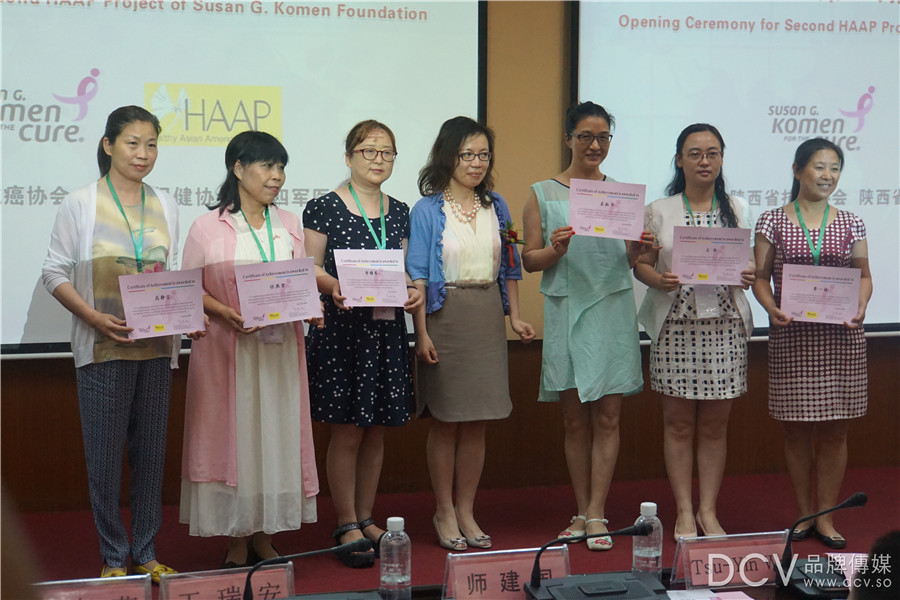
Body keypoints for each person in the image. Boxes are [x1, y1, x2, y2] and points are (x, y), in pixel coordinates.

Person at [41, 105, 185, 580]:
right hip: (102, 348)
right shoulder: (81, 203)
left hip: (156, 348)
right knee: (104, 459)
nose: (143, 154)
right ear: (108, 145)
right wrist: (92, 317)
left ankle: (145, 551)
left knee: (151, 457)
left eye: (151, 144)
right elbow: (53, 272)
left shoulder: (166, 204)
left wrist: (186, 315)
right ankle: (112, 556)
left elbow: (171, 273)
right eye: (132, 143)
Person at [180, 131, 319, 568]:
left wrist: (311, 309)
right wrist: (224, 310)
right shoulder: (207, 226)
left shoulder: (289, 223)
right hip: (228, 352)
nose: (276, 176)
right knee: (236, 442)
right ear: (238, 168)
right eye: (267, 166)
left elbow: (300, 282)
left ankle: (266, 534)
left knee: (275, 438)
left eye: (281, 168)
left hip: (279, 354)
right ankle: (236, 539)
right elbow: (188, 289)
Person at [521, 101, 652, 551]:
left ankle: (597, 512)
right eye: (586, 137)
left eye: (603, 137)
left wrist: (639, 248)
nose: (595, 145)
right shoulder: (542, 192)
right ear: (568, 139)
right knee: (575, 420)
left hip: (611, 307)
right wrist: (555, 249)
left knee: (609, 416)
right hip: (567, 309)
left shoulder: (623, 195)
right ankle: (581, 511)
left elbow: (631, 260)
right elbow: (530, 260)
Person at [408, 116, 535, 552]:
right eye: (467, 154)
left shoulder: (497, 205)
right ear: (448, 157)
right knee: (447, 421)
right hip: (444, 318)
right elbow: (418, 275)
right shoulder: (427, 210)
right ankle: (444, 510)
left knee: (478, 422)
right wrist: (421, 334)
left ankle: (466, 510)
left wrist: (515, 317)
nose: (477, 163)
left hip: (486, 317)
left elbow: (511, 265)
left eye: (483, 155)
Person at [303, 120, 422, 568]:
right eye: (369, 150)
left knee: (377, 428)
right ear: (349, 156)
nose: (378, 159)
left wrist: (412, 289)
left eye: (387, 152)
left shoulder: (400, 210)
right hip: (342, 329)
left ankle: (368, 516)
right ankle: (346, 522)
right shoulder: (324, 207)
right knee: (348, 429)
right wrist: (334, 285)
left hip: (385, 330)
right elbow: (309, 265)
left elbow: (402, 268)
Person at [633, 123, 755, 541]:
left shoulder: (738, 208)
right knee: (679, 425)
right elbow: (641, 265)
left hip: (724, 327)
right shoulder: (658, 210)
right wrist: (658, 279)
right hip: (676, 326)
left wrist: (749, 274)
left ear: (721, 159)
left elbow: (750, 265)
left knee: (716, 427)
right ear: (679, 160)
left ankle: (708, 510)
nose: (705, 161)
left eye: (713, 153)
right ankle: (684, 511)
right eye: (695, 153)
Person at [753, 138, 872, 549]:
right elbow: (761, 277)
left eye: (835, 168)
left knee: (835, 433)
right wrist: (770, 308)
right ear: (797, 170)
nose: (828, 175)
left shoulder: (852, 222)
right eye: (820, 167)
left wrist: (861, 305)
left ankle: (827, 517)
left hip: (841, 337)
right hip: (793, 337)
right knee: (796, 433)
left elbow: (864, 276)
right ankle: (804, 514)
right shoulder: (772, 221)